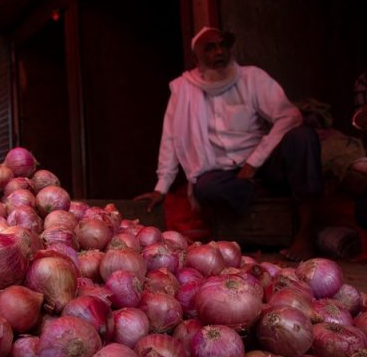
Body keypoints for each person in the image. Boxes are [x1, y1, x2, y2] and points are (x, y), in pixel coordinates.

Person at [135, 26, 323, 261]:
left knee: (303, 136)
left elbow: (289, 116)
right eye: (210, 48)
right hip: (225, 173)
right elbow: (171, 139)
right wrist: (161, 186)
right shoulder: (183, 89)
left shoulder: (253, 78)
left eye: (223, 45)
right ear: (196, 58)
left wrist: (254, 163)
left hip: (262, 162)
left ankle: (305, 233)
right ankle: (258, 192)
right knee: (206, 188)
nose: (219, 52)